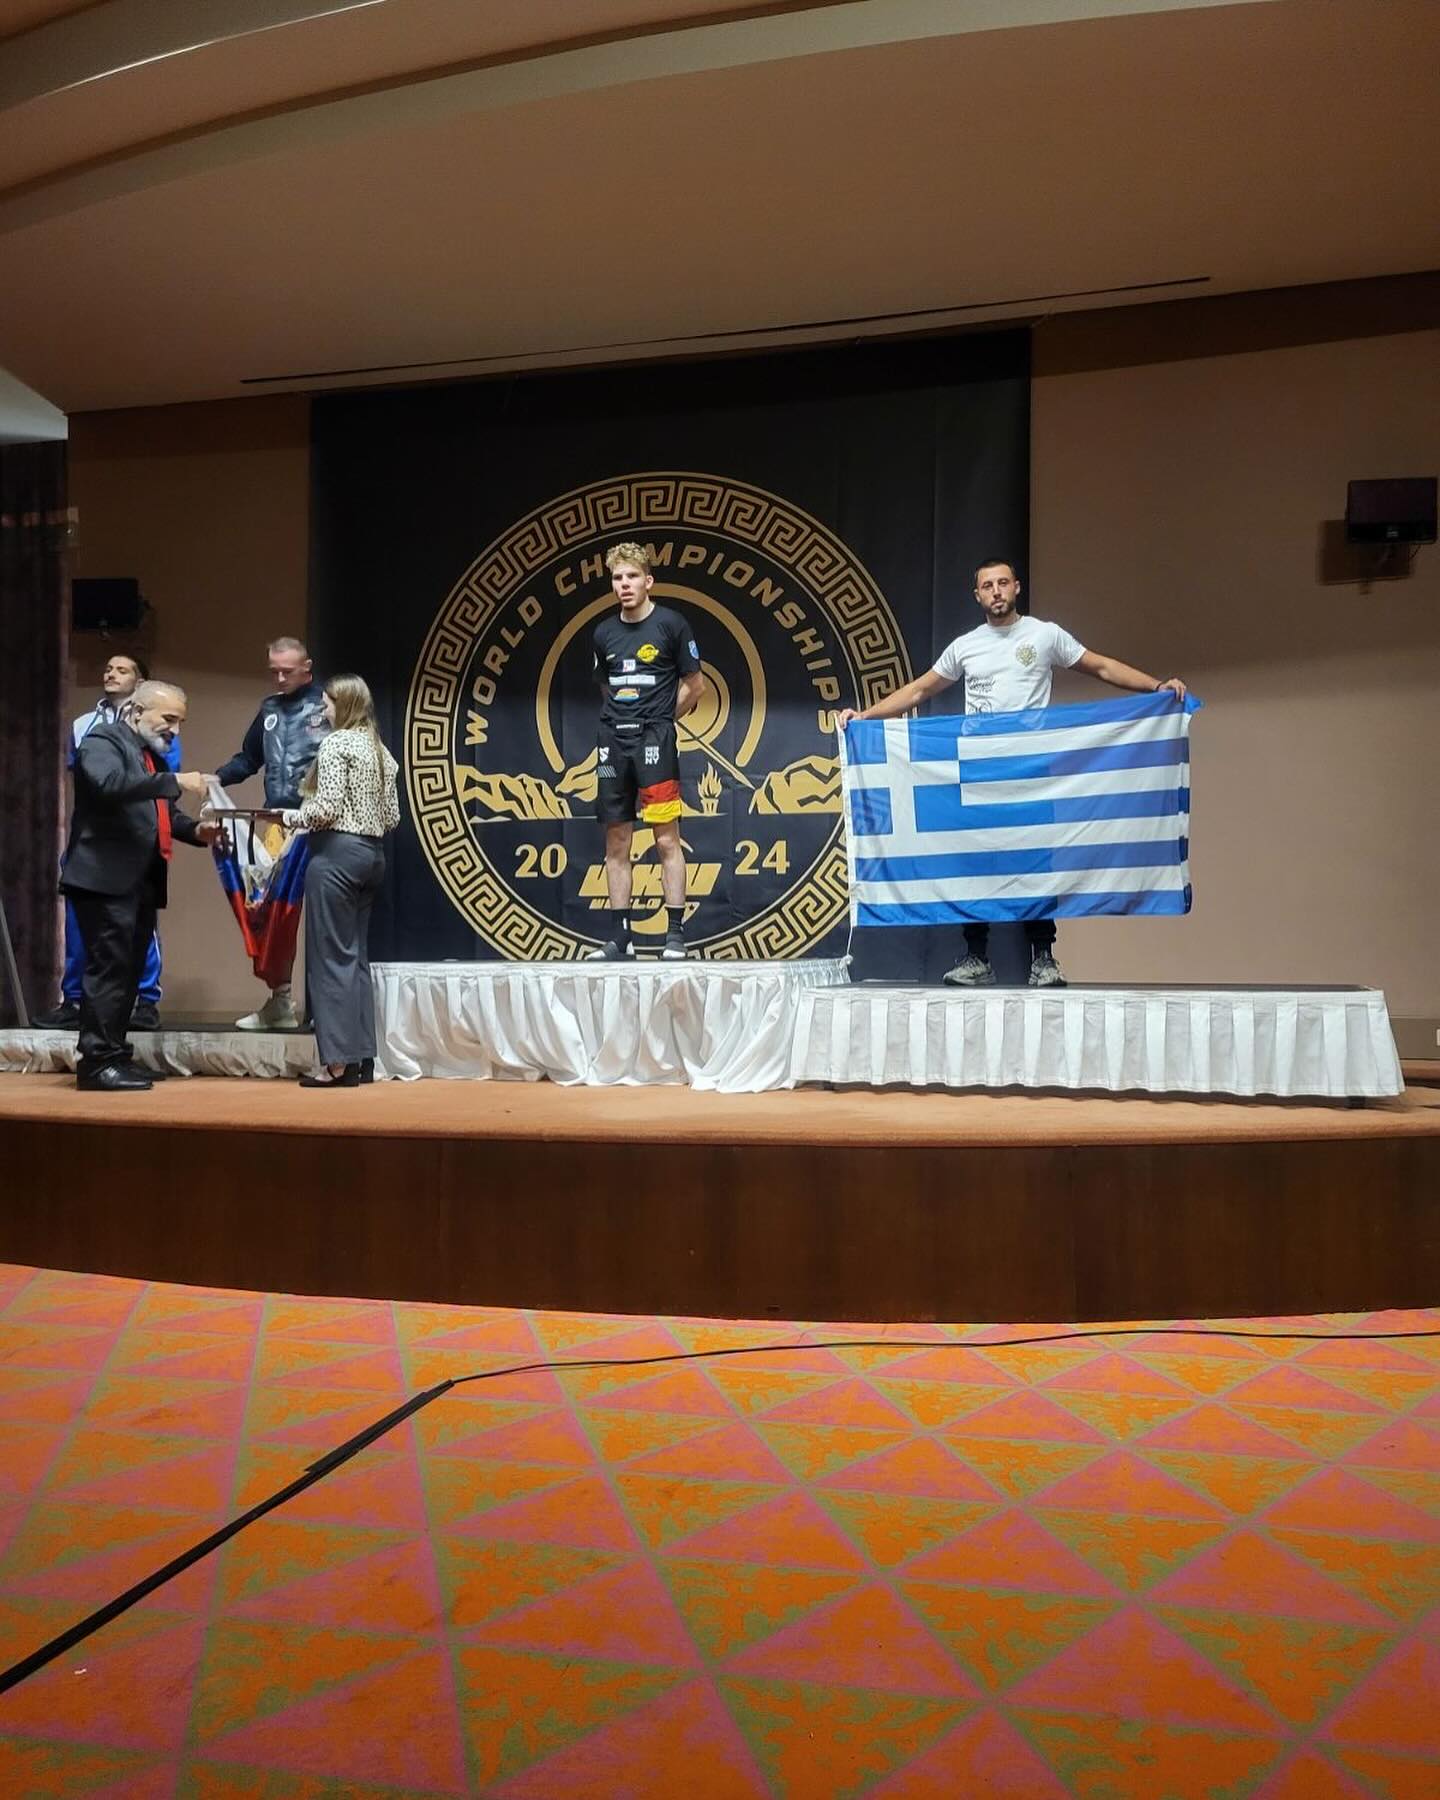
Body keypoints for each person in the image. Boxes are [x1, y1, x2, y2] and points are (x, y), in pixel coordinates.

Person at [837, 558, 1187, 988]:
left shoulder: (1044, 634)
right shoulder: (966, 646)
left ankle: (1044, 959)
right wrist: (866, 716)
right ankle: (976, 958)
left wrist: (1156, 687)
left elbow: (1100, 666)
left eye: (1003, 583)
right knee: (977, 861)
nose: (996, 591)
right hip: (979, 770)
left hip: (1032, 768)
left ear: (1016, 587)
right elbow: (921, 689)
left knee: (1036, 861)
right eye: (988, 586)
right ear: (977, 595)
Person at [61, 681, 218, 1091]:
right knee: (108, 970)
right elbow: (109, 785)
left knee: (128, 972)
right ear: (135, 711)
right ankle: (96, 1063)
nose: (175, 731)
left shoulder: (149, 756)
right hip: (103, 878)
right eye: (169, 719)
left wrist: (197, 831)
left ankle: (115, 1054)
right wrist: (177, 780)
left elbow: (164, 814)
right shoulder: (102, 741)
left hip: (138, 881)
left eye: (180, 722)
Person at [37, 652, 181, 1031]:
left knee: (131, 952)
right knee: (96, 950)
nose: (111, 674)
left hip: (136, 860)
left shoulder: (154, 741)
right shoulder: (93, 733)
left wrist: (195, 830)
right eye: (109, 668)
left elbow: (161, 801)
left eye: (122, 670)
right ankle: (88, 1031)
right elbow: (102, 784)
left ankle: (129, 1027)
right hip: (100, 859)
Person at [272, 674, 399, 1087]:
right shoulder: (381, 750)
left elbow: (324, 808)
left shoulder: (336, 744)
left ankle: (337, 1064)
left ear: (342, 705)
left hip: (336, 856)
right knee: (355, 959)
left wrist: (290, 816)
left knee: (330, 960)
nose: (322, 709)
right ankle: (362, 1058)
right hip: (372, 856)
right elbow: (393, 817)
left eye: (326, 703)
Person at [587, 541, 705, 962]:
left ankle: (675, 935)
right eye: (618, 577)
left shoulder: (672, 624)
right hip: (612, 743)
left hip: (655, 740)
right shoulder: (603, 633)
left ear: (648, 580)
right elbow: (607, 689)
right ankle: (621, 938)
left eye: (632, 576)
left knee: (666, 838)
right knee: (617, 839)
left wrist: (660, 720)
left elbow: (696, 685)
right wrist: (626, 719)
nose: (625, 584)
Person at [215, 635, 329, 1029]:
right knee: (273, 914)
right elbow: (248, 759)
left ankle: (327, 1009)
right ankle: (280, 1001)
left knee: (323, 916)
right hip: (278, 826)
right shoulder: (269, 710)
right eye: (274, 672)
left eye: (287, 671)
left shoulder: (328, 705)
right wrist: (216, 779)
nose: (280, 679)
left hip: (319, 825)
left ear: (307, 668)